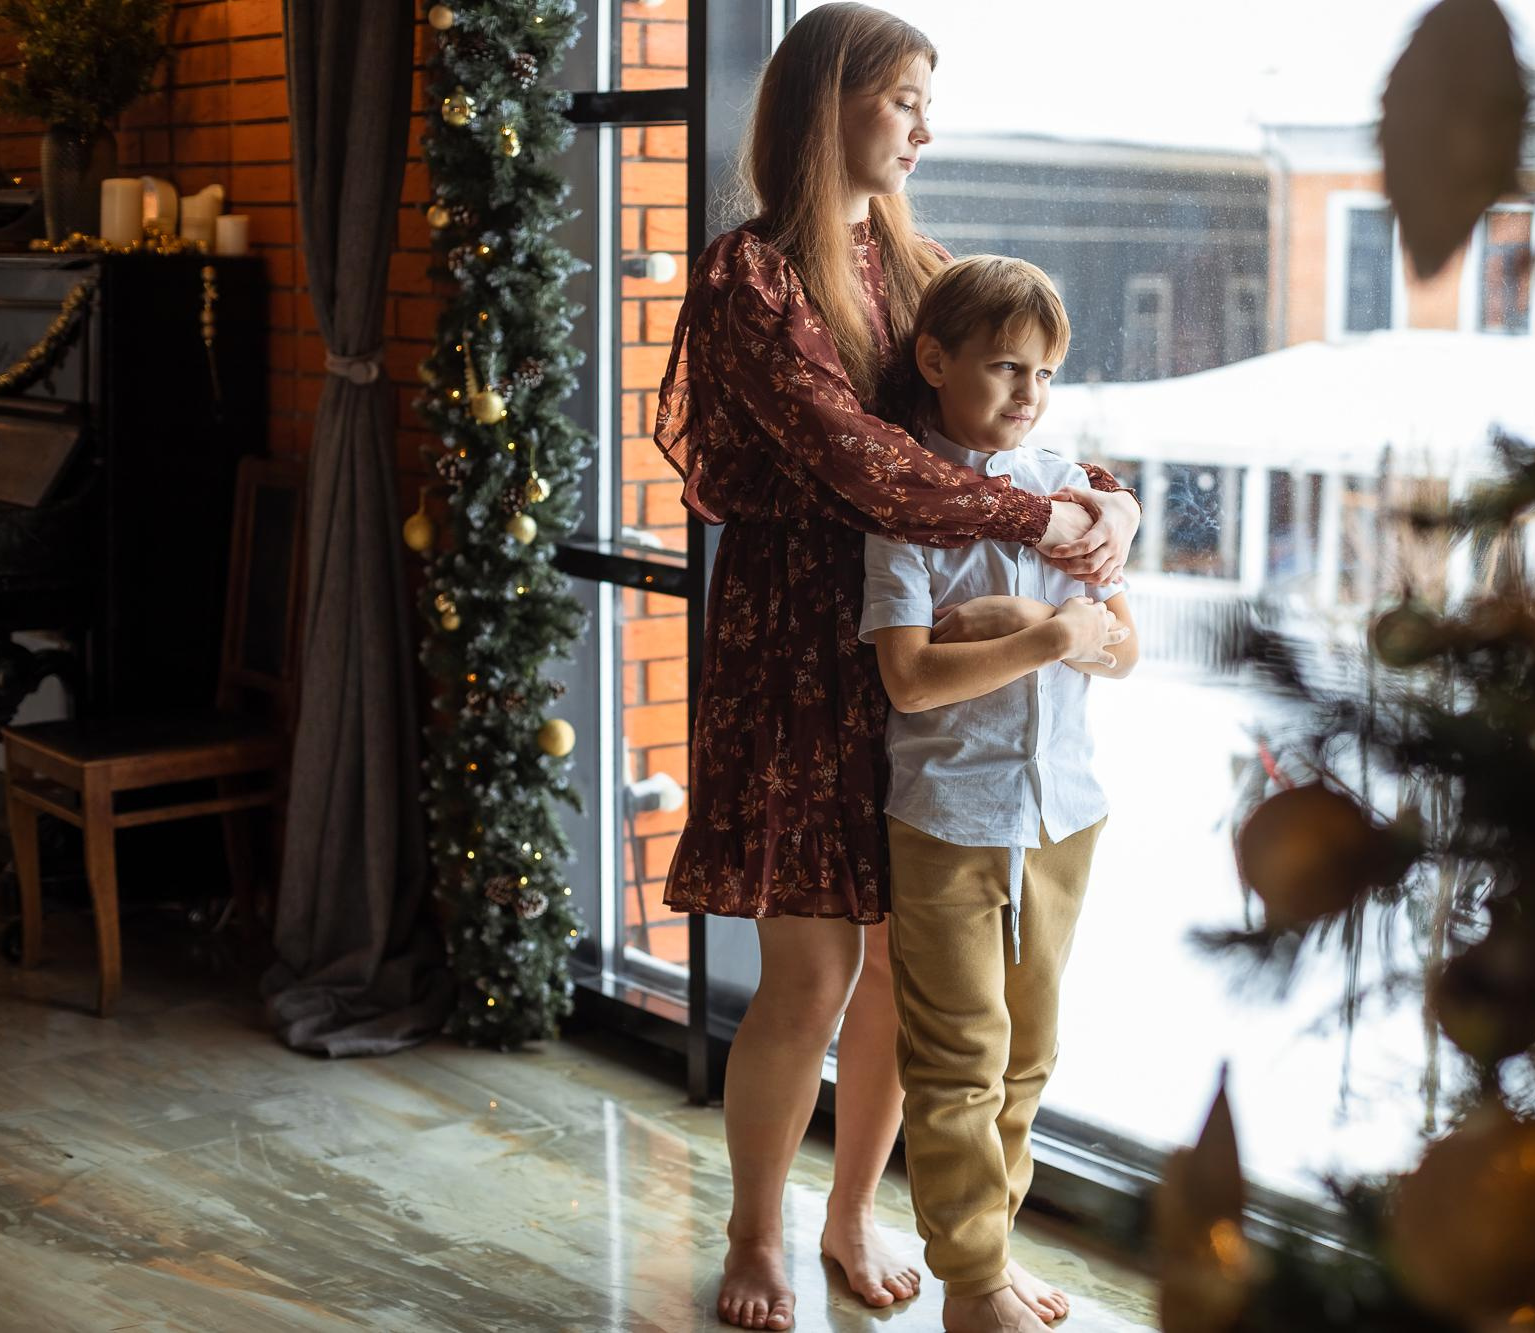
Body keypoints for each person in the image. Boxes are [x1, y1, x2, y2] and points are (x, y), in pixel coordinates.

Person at [649, 6, 1142, 1329]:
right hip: (795, 659)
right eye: (905, 98)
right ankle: (756, 1232)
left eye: (932, 99)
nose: (928, 125)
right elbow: (864, 463)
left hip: (915, 647)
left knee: (905, 978)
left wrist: (1105, 503)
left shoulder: (914, 263)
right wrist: (1044, 526)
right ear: (830, 107)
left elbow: (986, 426)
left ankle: (854, 1211)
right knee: (810, 978)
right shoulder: (747, 274)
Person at [860, 254, 1138, 1333]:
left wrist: (1038, 632)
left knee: (1028, 1050)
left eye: (1045, 373)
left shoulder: (1072, 497)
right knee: (961, 1055)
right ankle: (968, 1285)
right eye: (1003, 368)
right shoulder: (908, 509)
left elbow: (1125, 650)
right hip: (945, 814)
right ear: (934, 361)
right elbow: (911, 677)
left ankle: (994, 1251)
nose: (1028, 395)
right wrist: (1062, 634)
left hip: (1064, 808)